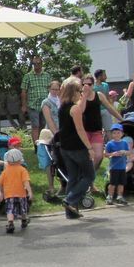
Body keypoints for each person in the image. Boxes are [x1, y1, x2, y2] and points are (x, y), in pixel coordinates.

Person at [58, 76, 94, 220]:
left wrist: (84, 95)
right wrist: (89, 148)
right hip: (77, 147)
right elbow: (80, 130)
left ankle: (70, 212)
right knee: (89, 175)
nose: (81, 92)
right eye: (79, 90)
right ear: (73, 91)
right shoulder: (75, 109)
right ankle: (70, 200)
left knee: (73, 178)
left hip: (65, 147)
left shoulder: (63, 107)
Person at [0, 148, 32, 234]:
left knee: (10, 209)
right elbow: (26, 182)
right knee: (23, 208)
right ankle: (24, 220)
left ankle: (10, 223)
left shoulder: (5, 171)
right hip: (21, 194)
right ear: (20, 160)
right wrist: (30, 192)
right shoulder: (22, 170)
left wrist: (2, 192)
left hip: (9, 194)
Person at [21, 56, 50, 140]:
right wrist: (24, 105)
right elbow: (23, 91)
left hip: (45, 105)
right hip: (33, 105)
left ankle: (41, 144)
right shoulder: (28, 76)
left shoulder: (47, 75)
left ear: (41, 64)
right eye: (34, 64)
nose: (36, 65)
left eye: (38, 63)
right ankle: (36, 147)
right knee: (35, 126)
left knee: (43, 125)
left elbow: (50, 89)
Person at [104, 124, 131, 206]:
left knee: (121, 183)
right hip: (114, 167)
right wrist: (113, 154)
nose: (116, 135)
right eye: (114, 133)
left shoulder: (124, 143)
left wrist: (124, 152)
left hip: (122, 167)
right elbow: (105, 154)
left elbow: (129, 152)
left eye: (118, 133)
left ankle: (120, 196)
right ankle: (110, 196)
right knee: (112, 183)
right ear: (112, 134)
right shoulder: (110, 144)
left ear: (122, 134)